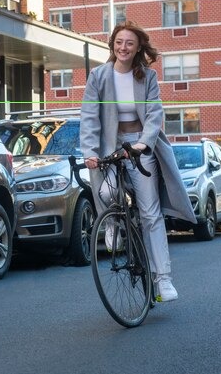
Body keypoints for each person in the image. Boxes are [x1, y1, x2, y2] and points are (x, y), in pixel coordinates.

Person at [80, 21, 196, 302]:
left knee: (150, 213)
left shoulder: (148, 77)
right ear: (112, 45)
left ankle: (163, 280)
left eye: (129, 43)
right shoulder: (98, 76)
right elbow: (89, 117)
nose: (123, 47)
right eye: (119, 42)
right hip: (110, 146)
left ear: (138, 47)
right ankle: (112, 225)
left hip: (140, 147)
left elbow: (155, 113)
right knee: (105, 191)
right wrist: (89, 152)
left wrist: (145, 142)